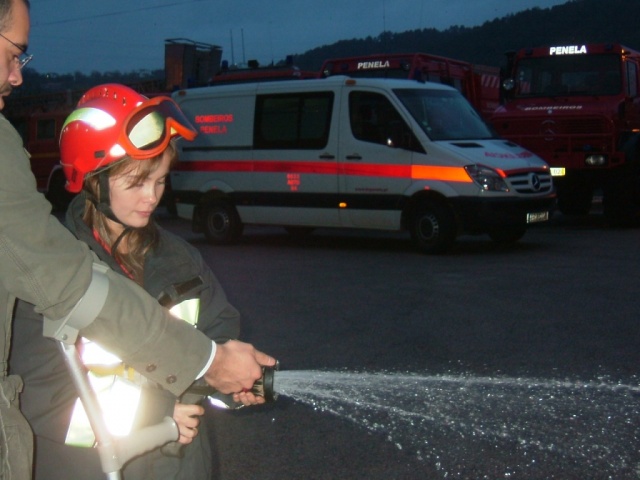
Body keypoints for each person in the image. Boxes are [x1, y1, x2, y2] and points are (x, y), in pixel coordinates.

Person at [0, 1, 274, 477]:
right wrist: (155, 421)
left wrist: (234, 384)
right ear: (92, 181)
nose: (152, 197)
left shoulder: (181, 259)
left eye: (161, 180)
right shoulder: (43, 274)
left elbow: (217, 340)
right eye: (136, 182)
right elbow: (44, 399)